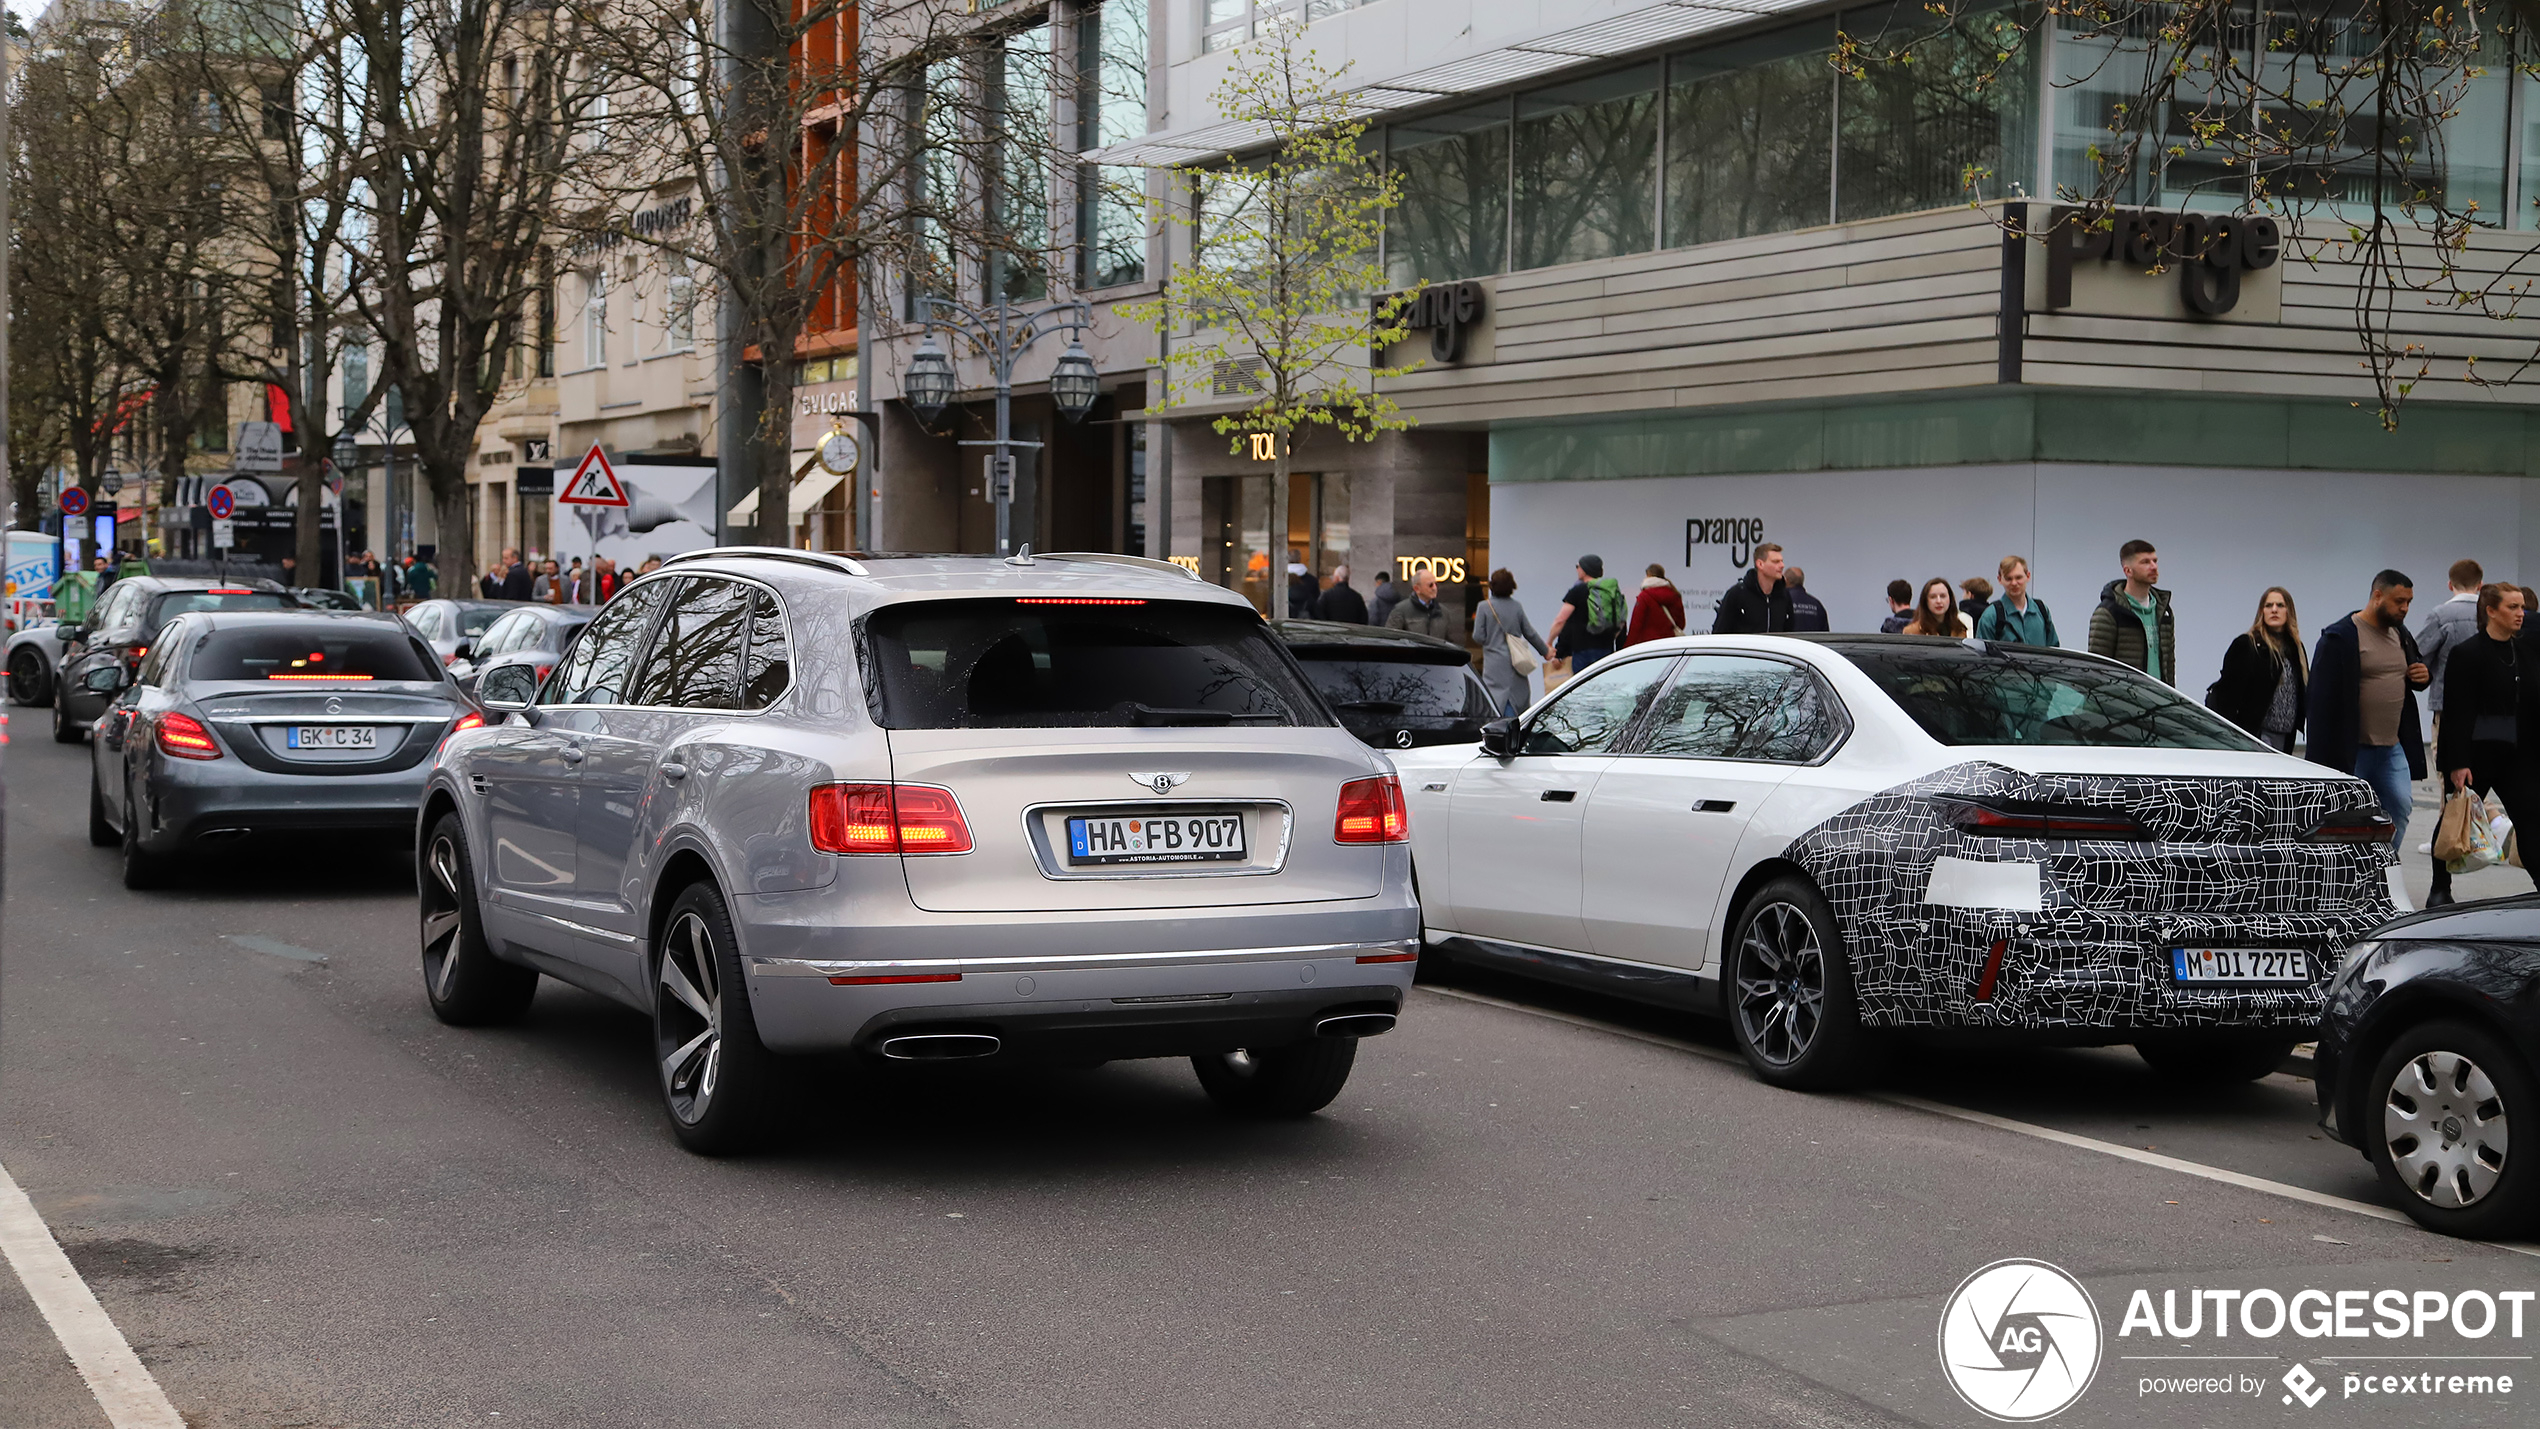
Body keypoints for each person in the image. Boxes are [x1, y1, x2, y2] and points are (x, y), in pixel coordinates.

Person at [2307, 569, 2431, 852]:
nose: (2405, 609)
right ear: (2377, 596)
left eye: (2409, 602)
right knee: (2346, 817)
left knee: (2399, 806)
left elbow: (2415, 671)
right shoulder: (2340, 638)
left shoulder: (2400, 633)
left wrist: (2424, 676)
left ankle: (2384, 867)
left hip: (2391, 746)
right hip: (2354, 749)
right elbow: (2319, 702)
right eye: (2399, 601)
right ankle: (2351, 871)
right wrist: (2320, 758)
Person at [2433, 583, 2540, 901]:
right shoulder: (2467, 654)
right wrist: (2457, 763)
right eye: (2513, 607)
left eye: (2522, 607)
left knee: (2531, 819)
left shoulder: (2526, 651)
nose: (2521, 614)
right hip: (2477, 754)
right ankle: (2440, 888)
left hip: (2519, 755)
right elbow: (2456, 712)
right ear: (2491, 611)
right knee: (2455, 818)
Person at [2208, 587, 2307, 753]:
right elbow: (2227, 696)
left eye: (2280, 605)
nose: (2274, 610)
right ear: (2262, 611)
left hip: (2286, 735)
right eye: (2268, 605)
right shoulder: (2248, 644)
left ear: (2289, 611)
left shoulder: (2296, 648)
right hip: (2256, 734)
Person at [2088, 539, 2176, 682]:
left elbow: (2169, 664)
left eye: (2155, 561)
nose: (2154, 567)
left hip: (2158, 700)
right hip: (2123, 701)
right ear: (2128, 570)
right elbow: (2097, 668)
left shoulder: (2163, 611)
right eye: (2145, 562)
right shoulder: (2109, 612)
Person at [2418, 558, 2483, 748]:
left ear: (2449, 584)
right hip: (2486, 703)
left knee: (2446, 760)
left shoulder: (2440, 615)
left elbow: (2420, 654)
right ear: (2480, 585)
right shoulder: (2490, 613)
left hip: (2447, 700)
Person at [1473, 568, 1548, 717]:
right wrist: (1546, 651)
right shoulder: (1516, 607)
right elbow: (1529, 633)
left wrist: (1490, 641)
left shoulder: (1484, 607)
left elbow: (1477, 636)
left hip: (1494, 665)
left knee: (1496, 700)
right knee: (1516, 699)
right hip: (1516, 661)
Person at [1549, 554, 1627, 671]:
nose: (1577, 569)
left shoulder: (1577, 591)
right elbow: (1620, 620)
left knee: (1584, 688)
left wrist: (1551, 645)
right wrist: (1619, 646)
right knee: (1604, 687)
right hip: (1606, 649)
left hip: (1582, 651)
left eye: (1578, 566)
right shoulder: (1611, 591)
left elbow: (1562, 621)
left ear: (1585, 570)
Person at [1711, 543, 1794, 635]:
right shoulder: (1737, 594)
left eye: (1782, 561)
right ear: (1760, 564)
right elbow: (1720, 632)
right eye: (1776, 561)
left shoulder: (1784, 596)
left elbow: (1790, 632)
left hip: (1774, 649)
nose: (1782, 565)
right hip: (1744, 648)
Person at [1973, 556, 2058, 646]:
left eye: (2018, 577)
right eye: (2008, 578)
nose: (2014, 583)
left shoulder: (2041, 610)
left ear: (2028, 576)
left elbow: (2054, 649)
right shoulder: (1991, 616)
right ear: (1999, 579)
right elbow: (1982, 655)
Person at [1383, 567, 1452, 640]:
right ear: (1417, 589)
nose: (1434, 588)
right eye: (1430, 585)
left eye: (1436, 584)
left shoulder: (1443, 612)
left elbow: (1449, 643)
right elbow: (1390, 640)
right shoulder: (1400, 611)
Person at [1625, 563, 1686, 645]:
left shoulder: (1644, 596)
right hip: (1670, 645)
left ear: (1648, 575)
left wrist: (1628, 646)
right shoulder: (1674, 594)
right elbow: (1681, 624)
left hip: (1649, 646)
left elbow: (1636, 625)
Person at [1901, 577, 1969, 637]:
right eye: (1933, 597)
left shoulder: (1960, 629)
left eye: (1942, 596)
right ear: (1925, 601)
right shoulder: (1912, 632)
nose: (1938, 601)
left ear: (1950, 599)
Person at [1785, 566, 1829, 632]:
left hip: (1788, 641)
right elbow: (1825, 634)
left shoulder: (1782, 602)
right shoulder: (1817, 605)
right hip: (1811, 642)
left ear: (1786, 580)